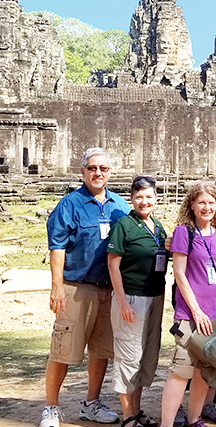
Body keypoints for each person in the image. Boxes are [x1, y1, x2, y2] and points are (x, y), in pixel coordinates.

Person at [41, 148, 130, 427]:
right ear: (82, 171)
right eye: (92, 168)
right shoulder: (70, 204)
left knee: (102, 350)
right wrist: (56, 287)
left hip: (109, 289)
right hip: (77, 288)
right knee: (63, 349)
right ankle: (51, 407)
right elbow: (57, 248)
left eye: (103, 168)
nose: (98, 173)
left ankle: (91, 403)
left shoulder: (119, 206)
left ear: (110, 172)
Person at [160, 182, 216, 427]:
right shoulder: (185, 232)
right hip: (190, 314)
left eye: (211, 203)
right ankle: (167, 423)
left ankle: (195, 419)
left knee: (205, 369)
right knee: (181, 371)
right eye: (201, 202)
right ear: (192, 205)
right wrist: (195, 310)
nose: (207, 207)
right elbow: (180, 274)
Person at [107, 176, 168, 427]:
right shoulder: (124, 225)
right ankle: (128, 414)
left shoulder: (158, 226)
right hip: (132, 296)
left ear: (156, 198)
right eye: (139, 196)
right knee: (129, 355)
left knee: (146, 356)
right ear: (132, 199)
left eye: (149, 196)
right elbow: (113, 264)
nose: (144, 201)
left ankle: (138, 408)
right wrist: (122, 301)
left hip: (155, 296)